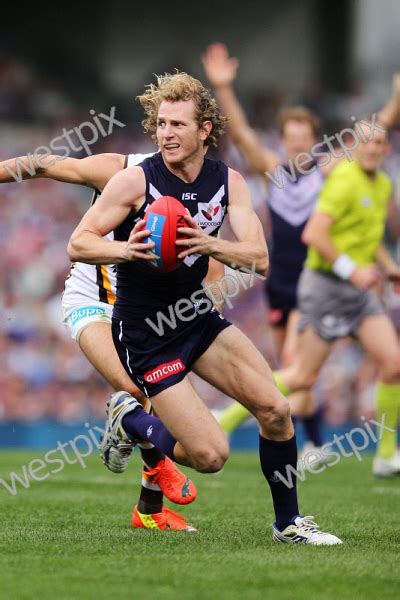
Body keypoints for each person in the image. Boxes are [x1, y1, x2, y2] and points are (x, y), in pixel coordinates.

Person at [68, 71, 342, 543]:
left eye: (178, 124)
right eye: (161, 124)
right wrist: (127, 251)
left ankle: (288, 524)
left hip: (196, 318)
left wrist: (207, 245)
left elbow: (258, 258)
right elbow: (79, 243)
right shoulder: (135, 182)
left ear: (204, 130)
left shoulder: (228, 182)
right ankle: (130, 417)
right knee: (211, 457)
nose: (166, 133)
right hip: (146, 333)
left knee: (276, 410)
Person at [0, 150, 224, 530]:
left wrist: (201, 313)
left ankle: (148, 508)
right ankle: (139, 437)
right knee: (136, 389)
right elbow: (44, 164)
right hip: (92, 303)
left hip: (148, 314)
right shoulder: (122, 170)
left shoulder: (199, 192)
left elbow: (213, 267)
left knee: (159, 400)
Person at [201, 43, 400, 462]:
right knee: (296, 371)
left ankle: (302, 441)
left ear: (314, 141)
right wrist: (224, 88)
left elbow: (371, 136)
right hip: (281, 279)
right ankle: (305, 440)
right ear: (284, 141)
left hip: (316, 276)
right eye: (290, 139)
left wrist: (395, 101)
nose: (296, 146)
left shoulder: (331, 171)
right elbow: (241, 133)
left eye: (303, 139)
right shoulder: (273, 172)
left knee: (296, 364)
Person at [265, 120, 400, 477]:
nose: (373, 149)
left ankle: (386, 454)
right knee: (301, 377)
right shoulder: (342, 179)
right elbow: (314, 234)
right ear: (354, 146)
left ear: (386, 149)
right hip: (325, 285)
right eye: (366, 143)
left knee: (394, 364)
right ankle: (230, 409)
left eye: (380, 143)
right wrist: (352, 271)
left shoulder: (384, 184)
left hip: (357, 291)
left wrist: (390, 268)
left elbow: (370, 242)